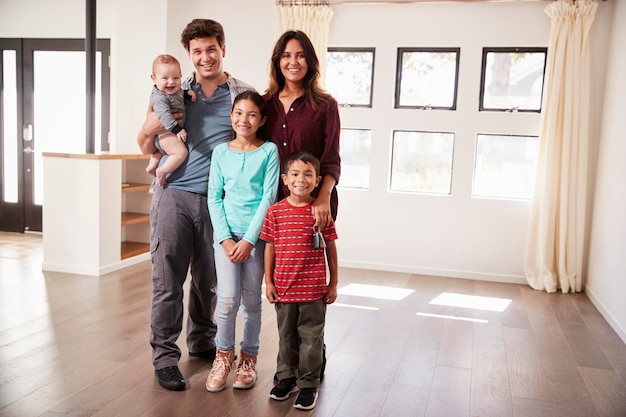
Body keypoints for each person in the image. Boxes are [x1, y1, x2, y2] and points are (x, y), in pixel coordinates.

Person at [136, 18, 254, 392]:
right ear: (189, 55)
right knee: (167, 281)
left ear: (223, 48)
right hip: (174, 197)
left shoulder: (241, 95)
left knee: (210, 282)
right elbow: (144, 142)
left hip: (219, 204)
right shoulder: (171, 90)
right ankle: (165, 359)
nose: (205, 57)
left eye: (211, 49)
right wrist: (148, 131)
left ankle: (202, 342)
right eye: (197, 51)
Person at [205, 91, 280, 392]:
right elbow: (214, 197)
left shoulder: (269, 151)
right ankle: (223, 356)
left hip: (256, 239)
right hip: (225, 238)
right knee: (226, 300)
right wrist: (224, 239)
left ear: (262, 120)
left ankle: (248, 359)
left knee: (251, 300)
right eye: (238, 112)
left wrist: (249, 240)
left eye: (251, 114)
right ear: (231, 115)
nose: (243, 119)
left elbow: (268, 198)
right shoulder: (221, 152)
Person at [260, 150, 339, 411]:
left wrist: (333, 282)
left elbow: (330, 247)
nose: (300, 179)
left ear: (317, 181)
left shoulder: (320, 212)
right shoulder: (275, 212)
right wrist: (269, 283)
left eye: (308, 174)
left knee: (311, 339)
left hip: (314, 291)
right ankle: (286, 378)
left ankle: (308, 385)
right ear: (285, 178)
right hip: (284, 289)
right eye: (294, 174)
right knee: (286, 338)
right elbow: (269, 247)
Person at [263, 30, 341, 230]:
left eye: (301, 55)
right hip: (272, 203)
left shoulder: (326, 106)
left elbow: (331, 160)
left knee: (307, 259)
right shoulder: (264, 104)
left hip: (312, 202)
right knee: (272, 261)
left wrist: (323, 198)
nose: (293, 62)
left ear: (310, 61)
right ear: (277, 61)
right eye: (286, 56)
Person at [144, 54, 193, 186]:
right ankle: (162, 171)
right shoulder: (158, 98)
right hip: (168, 133)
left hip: (163, 138)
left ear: (181, 76)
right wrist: (177, 129)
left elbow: (178, 94)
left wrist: (187, 94)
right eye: (165, 78)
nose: (171, 82)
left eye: (176, 78)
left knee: (160, 152)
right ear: (153, 78)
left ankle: (152, 166)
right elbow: (164, 115)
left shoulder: (173, 91)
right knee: (180, 153)